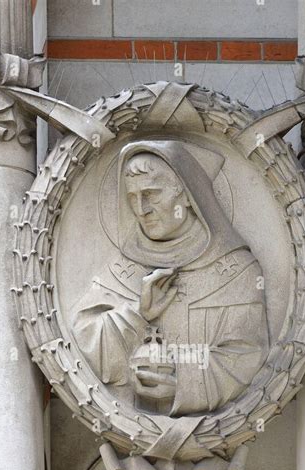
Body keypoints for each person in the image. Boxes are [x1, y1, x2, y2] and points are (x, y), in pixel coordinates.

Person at [72, 139, 269, 416]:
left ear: (187, 195)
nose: (141, 209)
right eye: (133, 197)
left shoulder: (236, 271)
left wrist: (183, 383)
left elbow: (246, 356)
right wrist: (138, 313)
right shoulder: (121, 269)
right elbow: (84, 347)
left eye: (151, 194)